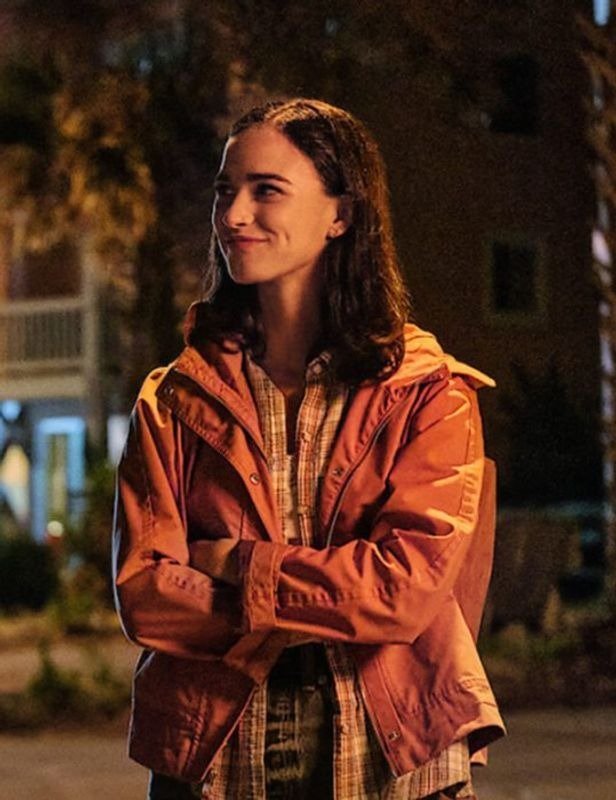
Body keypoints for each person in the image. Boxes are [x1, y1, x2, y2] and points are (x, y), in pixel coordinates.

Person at [112, 98, 505, 800]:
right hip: (218, 758)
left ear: (341, 214)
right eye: (225, 192)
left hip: (395, 759)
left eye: (266, 190)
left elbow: (404, 592)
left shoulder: (427, 393)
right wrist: (337, 594)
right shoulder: (175, 399)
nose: (234, 216)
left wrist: (236, 566)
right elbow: (145, 596)